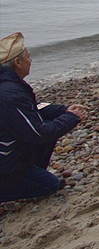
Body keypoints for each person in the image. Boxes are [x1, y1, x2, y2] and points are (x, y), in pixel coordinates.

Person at [0, 32, 88, 203]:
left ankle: (29, 171)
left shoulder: (10, 86)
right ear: (17, 63)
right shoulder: (10, 94)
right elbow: (40, 132)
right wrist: (71, 117)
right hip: (4, 161)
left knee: (47, 122)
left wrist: (64, 110)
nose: (31, 60)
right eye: (28, 56)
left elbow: (33, 110)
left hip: (8, 150)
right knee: (49, 185)